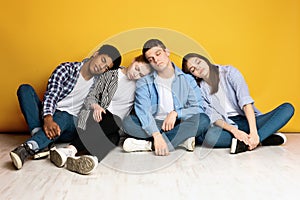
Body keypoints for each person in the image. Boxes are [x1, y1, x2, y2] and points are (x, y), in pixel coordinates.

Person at [10, 44, 122, 169]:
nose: (101, 67)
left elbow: (120, 72)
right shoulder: (66, 69)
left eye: (106, 68)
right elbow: (51, 95)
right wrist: (48, 118)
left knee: (66, 115)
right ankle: (40, 138)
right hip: (48, 117)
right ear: (96, 54)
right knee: (25, 89)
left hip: (70, 124)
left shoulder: (98, 83)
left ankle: (29, 147)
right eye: (103, 60)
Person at [49, 55, 152, 175]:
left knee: (115, 138)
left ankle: (91, 159)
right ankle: (70, 150)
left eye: (141, 75)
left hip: (111, 127)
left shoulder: (140, 86)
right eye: (137, 69)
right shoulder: (112, 75)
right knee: (113, 120)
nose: (136, 75)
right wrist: (96, 105)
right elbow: (91, 96)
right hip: (94, 118)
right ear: (134, 61)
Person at [182, 53, 295, 154]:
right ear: (195, 75)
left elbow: (246, 102)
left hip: (249, 120)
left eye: (198, 62)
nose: (198, 68)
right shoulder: (200, 90)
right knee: (210, 137)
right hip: (227, 126)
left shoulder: (229, 72)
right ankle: (263, 137)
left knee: (287, 108)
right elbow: (214, 117)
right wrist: (234, 131)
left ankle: (249, 142)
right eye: (193, 69)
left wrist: (254, 132)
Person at [122, 39, 210, 156]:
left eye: (158, 54)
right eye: (151, 59)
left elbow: (198, 108)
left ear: (167, 52)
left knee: (203, 120)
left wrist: (176, 113)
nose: (156, 60)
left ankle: (149, 145)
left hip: (178, 123)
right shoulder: (144, 82)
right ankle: (179, 141)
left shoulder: (187, 79)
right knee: (128, 123)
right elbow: (143, 111)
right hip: (154, 123)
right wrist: (156, 134)